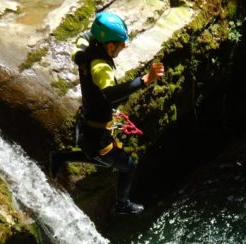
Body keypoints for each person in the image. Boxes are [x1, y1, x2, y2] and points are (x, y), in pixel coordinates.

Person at [50, 11, 165, 215]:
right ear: (110, 46)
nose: (123, 47)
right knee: (127, 166)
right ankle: (122, 204)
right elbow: (111, 95)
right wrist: (145, 80)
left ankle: (61, 157)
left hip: (87, 123)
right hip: (98, 134)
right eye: (120, 44)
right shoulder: (101, 68)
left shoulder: (84, 50)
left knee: (98, 157)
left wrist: (97, 30)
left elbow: (83, 37)